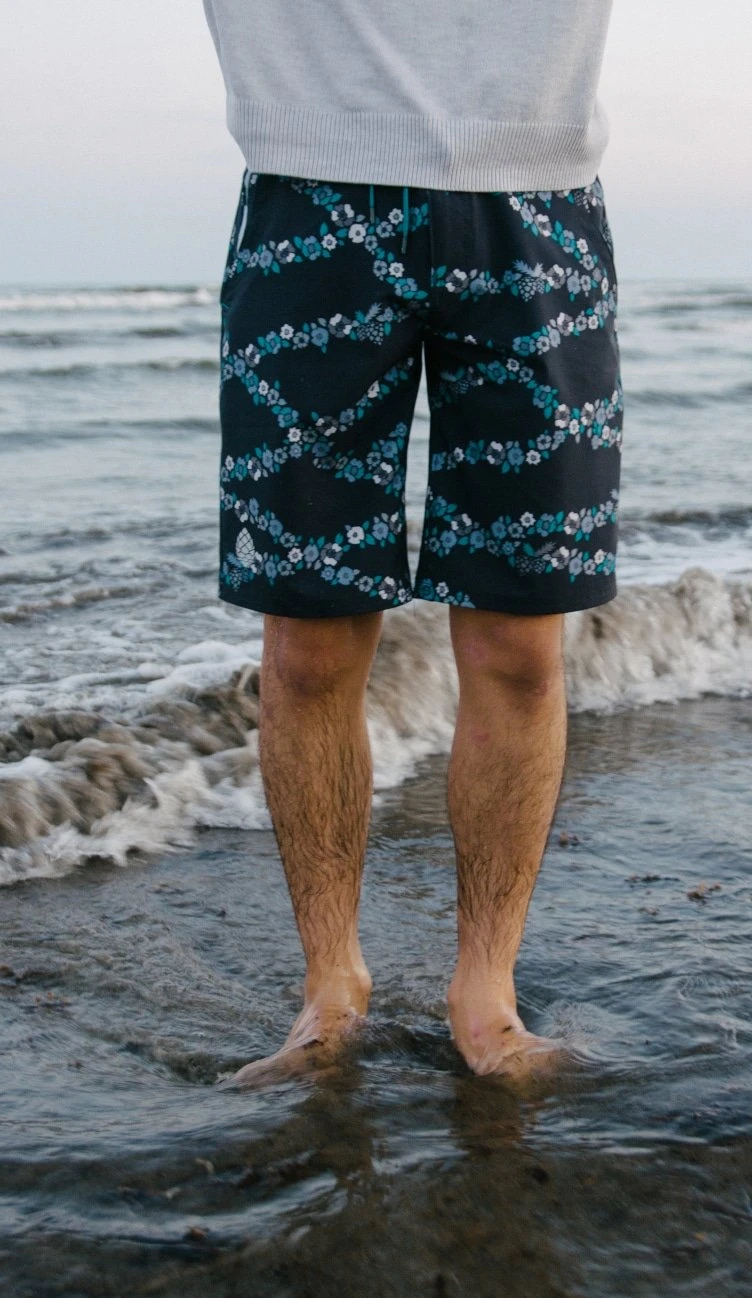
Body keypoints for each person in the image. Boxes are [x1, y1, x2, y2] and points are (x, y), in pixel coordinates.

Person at [203, 0, 622, 1083]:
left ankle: (486, 993)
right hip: (311, 197)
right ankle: (328, 985)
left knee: (520, 650)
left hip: (535, 205)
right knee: (311, 644)